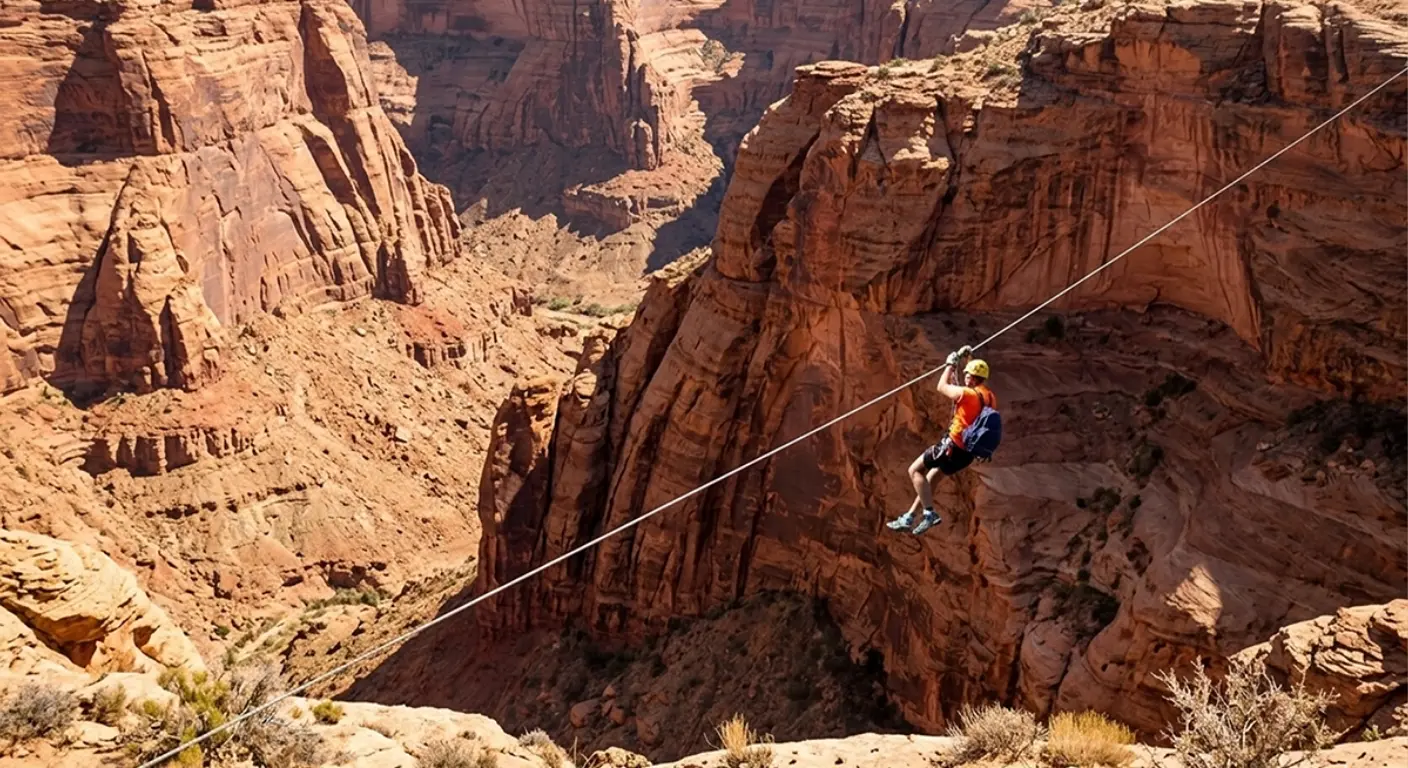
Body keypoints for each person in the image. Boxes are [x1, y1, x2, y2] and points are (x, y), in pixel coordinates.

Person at [886, 346, 997, 535]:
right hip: (967, 454)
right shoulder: (989, 397)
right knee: (930, 479)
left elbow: (941, 386)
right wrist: (969, 357)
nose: (965, 377)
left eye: (967, 375)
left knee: (914, 470)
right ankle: (910, 516)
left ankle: (929, 514)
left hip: (952, 446)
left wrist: (950, 365)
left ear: (971, 377)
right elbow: (970, 386)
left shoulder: (967, 394)